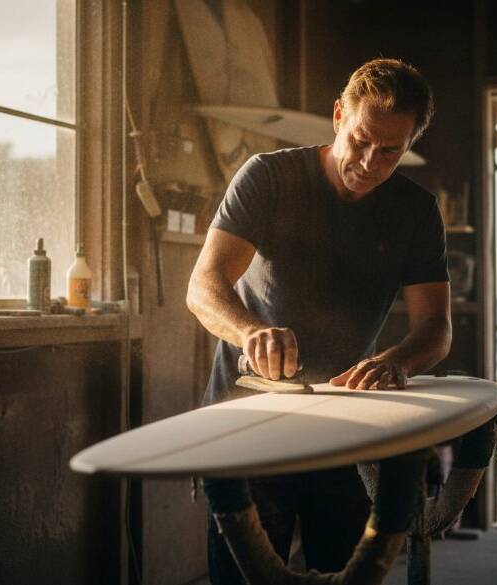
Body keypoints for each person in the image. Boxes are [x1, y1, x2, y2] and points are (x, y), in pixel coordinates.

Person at [187, 58, 452, 583]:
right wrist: (250, 331)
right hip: (249, 419)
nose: (370, 162)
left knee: (347, 573)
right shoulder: (269, 177)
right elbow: (203, 286)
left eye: (390, 151)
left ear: (411, 143)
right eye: (361, 140)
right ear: (337, 117)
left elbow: (436, 328)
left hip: (345, 425)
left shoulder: (416, 212)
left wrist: (396, 361)